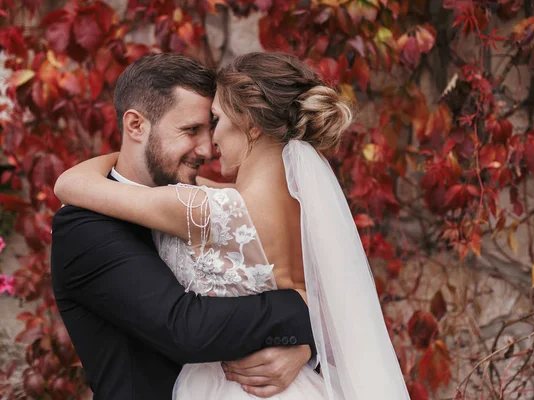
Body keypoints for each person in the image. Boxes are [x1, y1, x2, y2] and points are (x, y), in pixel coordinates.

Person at [54, 52, 410, 399]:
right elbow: (185, 328)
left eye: (212, 125)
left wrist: (303, 347)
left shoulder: (211, 205)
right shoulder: (86, 227)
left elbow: (71, 184)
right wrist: (303, 308)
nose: (208, 147)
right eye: (191, 130)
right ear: (135, 125)